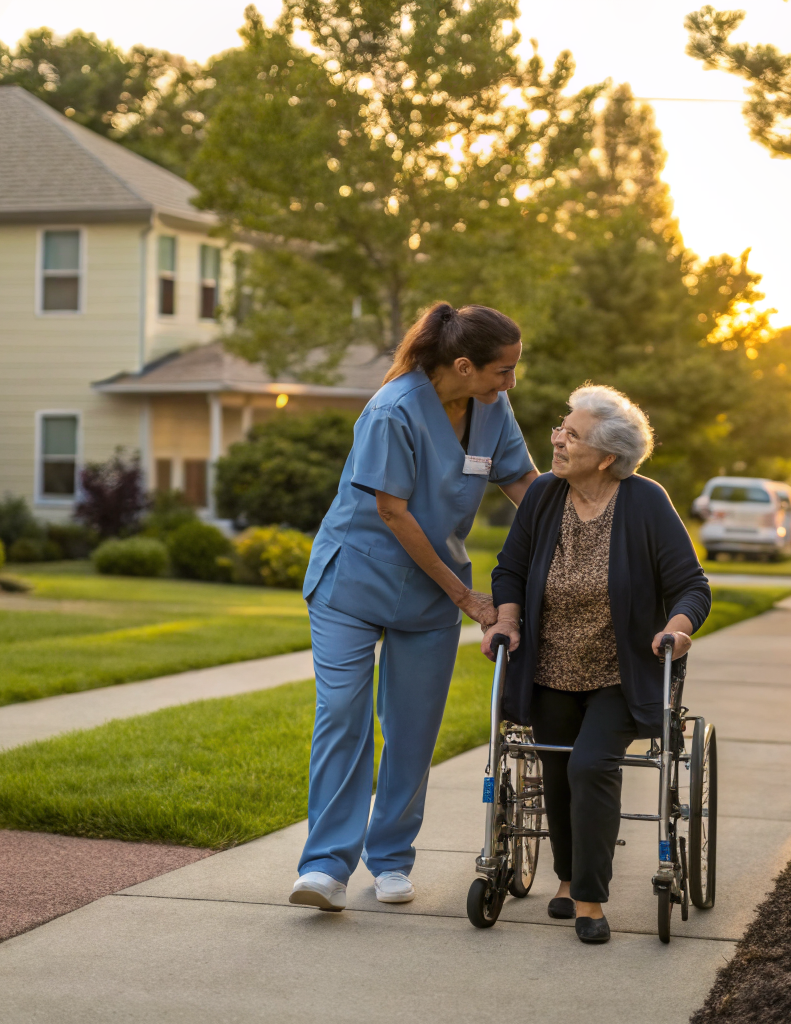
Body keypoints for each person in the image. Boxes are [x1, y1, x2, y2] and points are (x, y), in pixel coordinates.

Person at [289, 302, 539, 911]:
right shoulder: (393, 410)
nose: (512, 382)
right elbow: (392, 512)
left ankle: (392, 857)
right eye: (503, 371)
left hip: (429, 591)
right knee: (343, 715)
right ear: (463, 365)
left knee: (411, 726)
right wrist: (466, 598)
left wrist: (591, 518)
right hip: (354, 582)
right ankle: (324, 868)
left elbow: (524, 484)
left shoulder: (491, 407)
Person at [483, 384, 711, 944]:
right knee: (557, 770)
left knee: (589, 765)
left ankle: (589, 899)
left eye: (572, 434)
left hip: (619, 674)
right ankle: (564, 879)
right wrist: (506, 621)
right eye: (562, 426)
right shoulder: (542, 496)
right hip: (550, 669)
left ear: (607, 457)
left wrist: (676, 632)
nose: (556, 438)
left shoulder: (645, 502)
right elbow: (509, 569)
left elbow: (691, 586)